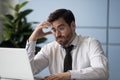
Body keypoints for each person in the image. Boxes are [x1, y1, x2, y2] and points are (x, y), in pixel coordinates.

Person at [26, 8, 109, 80]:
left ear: (73, 25)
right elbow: (29, 70)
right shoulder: (49, 48)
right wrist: (33, 39)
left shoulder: (91, 43)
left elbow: (102, 71)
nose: (57, 34)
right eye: (54, 30)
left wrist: (69, 75)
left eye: (61, 28)